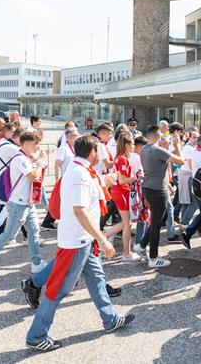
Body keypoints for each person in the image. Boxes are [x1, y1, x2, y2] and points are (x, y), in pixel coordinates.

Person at [24, 135, 134, 352]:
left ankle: (110, 319)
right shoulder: (81, 174)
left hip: (83, 240)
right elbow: (79, 210)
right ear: (92, 152)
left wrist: (109, 178)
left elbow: (91, 189)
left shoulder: (80, 170)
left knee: (97, 280)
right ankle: (36, 335)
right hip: (77, 242)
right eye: (99, 150)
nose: (101, 153)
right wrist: (103, 239)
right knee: (59, 290)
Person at [0, 130, 47, 278]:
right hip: (18, 203)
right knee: (8, 235)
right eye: (35, 144)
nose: (37, 147)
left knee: (33, 232)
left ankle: (36, 263)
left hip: (26, 202)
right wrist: (40, 162)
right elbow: (33, 176)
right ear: (26, 144)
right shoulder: (20, 159)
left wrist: (37, 161)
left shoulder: (23, 158)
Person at [140, 124, 184, 268]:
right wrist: (177, 145)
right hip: (158, 190)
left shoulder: (144, 149)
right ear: (158, 136)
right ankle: (153, 258)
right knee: (156, 224)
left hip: (148, 187)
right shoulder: (158, 150)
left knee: (155, 221)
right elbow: (180, 161)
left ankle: (141, 245)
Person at [106, 130, 143, 261]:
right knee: (127, 224)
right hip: (121, 192)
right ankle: (126, 253)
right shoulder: (122, 159)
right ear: (126, 144)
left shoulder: (121, 158)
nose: (133, 146)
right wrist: (135, 177)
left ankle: (105, 236)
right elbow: (122, 180)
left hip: (121, 191)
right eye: (132, 144)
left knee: (127, 223)